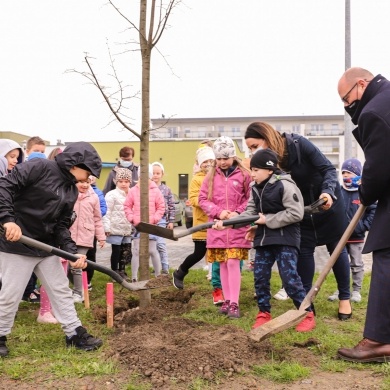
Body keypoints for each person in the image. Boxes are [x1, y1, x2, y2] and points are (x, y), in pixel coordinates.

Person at [0, 142, 103, 357]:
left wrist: (70, 250)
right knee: (10, 295)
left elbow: (61, 225)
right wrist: (8, 220)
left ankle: (74, 333)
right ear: (77, 164)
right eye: (87, 172)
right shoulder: (38, 167)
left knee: (60, 290)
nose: (87, 178)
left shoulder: (70, 190)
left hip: (45, 247)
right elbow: (4, 188)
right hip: (16, 243)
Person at [244, 122, 352, 320]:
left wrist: (327, 192)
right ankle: (306, 300)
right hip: (299, 210)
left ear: (267, 138)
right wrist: (255, 224)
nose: (253, 151)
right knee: (304, 250)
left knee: (336, 249)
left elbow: (328, 168)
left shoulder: (298, 144)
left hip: (326, 203)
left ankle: (345, 298)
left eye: (254, 145)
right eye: (250, 148)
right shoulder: (268, 164)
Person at [214, 149, 315, 331]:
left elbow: (296, 213)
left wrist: (267, 220)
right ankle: (264, 313)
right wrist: (228, 223)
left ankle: (306, 313)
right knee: (260, 277)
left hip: (286, 239)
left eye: (256, 170)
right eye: (251, 170)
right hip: (264, 239)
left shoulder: (285, 185)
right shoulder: (255, 188)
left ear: (269, 170)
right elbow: (250, 213)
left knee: (289, 278)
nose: (252, 174)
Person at [336, 67, 390, 362]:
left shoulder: (375, 111)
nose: (347, 107)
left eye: (346, 99)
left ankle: (379, 340)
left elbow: (378, 167)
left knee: (386, 255)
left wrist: (365, 194)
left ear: (361, 84)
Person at [198, 136, 251, 319]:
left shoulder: (245, 175)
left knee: (233, 262)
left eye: (225, 158)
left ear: (233, 157)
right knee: (222, 263)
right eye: (219, 159)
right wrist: (219, 213)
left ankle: (235, 302)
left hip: (237, 228)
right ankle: (227, 300)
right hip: (218, 228)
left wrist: (237, 213)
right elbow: (203, 200)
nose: (222, 162)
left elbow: (250, 199)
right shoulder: (210, 177)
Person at [328, 158, 376, 304]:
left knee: (356, 264)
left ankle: (356, 290)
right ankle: (341, 289)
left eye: (348, 172)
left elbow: (373, 211)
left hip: (357, 237)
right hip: (340, 236)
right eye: (343, 173)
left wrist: (363, 226)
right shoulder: (339, 192)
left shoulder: (364, 193)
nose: (345, 176)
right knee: (339, 263)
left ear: (356, 174)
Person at [172, 146, 218, 295]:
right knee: (199, 253)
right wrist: (208, 202)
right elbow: (193, 199)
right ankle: (180, 272)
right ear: (199, 164)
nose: (208, 164)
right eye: (205, 161)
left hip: (217, 222)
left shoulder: (218, 177)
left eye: (211, 160)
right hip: (203, 222)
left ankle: (217, 282)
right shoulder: (196, 179)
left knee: (218, 253)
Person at [124, 165, 165, 281]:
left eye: (147, 177)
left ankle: (158, 276)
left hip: (151, 226)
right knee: (136, 251)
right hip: (138, 226)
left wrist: (154, 219)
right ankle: (134, 277)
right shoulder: (133, 191)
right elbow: (127, 206)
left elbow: (161, 207)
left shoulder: (156, 191)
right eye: (141, 177)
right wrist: (132, 219)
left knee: (152, 250)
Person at [68, 178, 106, 302]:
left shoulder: (93, 197)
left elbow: (97, 218)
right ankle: (74, 288)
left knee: (77, 264)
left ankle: (79, 293)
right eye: (81, 182)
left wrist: (101, 236)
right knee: (68, 264)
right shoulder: (69, 194)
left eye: (87, 182)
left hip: (85, 235)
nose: (84, 185)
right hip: (69, 235)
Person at [103, 168, 133, 281]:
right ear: (116, 182)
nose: (123, 184)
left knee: (126, 251)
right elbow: (107, 212)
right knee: (116, 250)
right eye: (121, 181)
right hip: (115, 228)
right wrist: (106, 226)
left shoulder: (132, 194)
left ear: (130, 182)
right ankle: (114, 272)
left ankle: (122, 270)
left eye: (126, 181)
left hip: (127, 228)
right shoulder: (111, 195)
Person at [151, 162, 175, 274]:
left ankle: (165, 268)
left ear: (162, 174)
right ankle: (154, 268)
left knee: (160, 244)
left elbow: (171, 205)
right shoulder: (147, 188)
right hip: (149, 220)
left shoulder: (166, 189)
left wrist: (170, 221)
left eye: (158, 173)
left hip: (161, 220)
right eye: (153, 173)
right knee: (150, 246)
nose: (155, 175)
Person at [85, 175, 107, 289]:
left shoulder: (95, 195)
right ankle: (78, 286)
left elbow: (98, 216)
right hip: (74, 234)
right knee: (75, 259)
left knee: (90, 258)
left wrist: (101, 237)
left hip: (90, 232)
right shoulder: (73, 193)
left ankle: (87, 281)